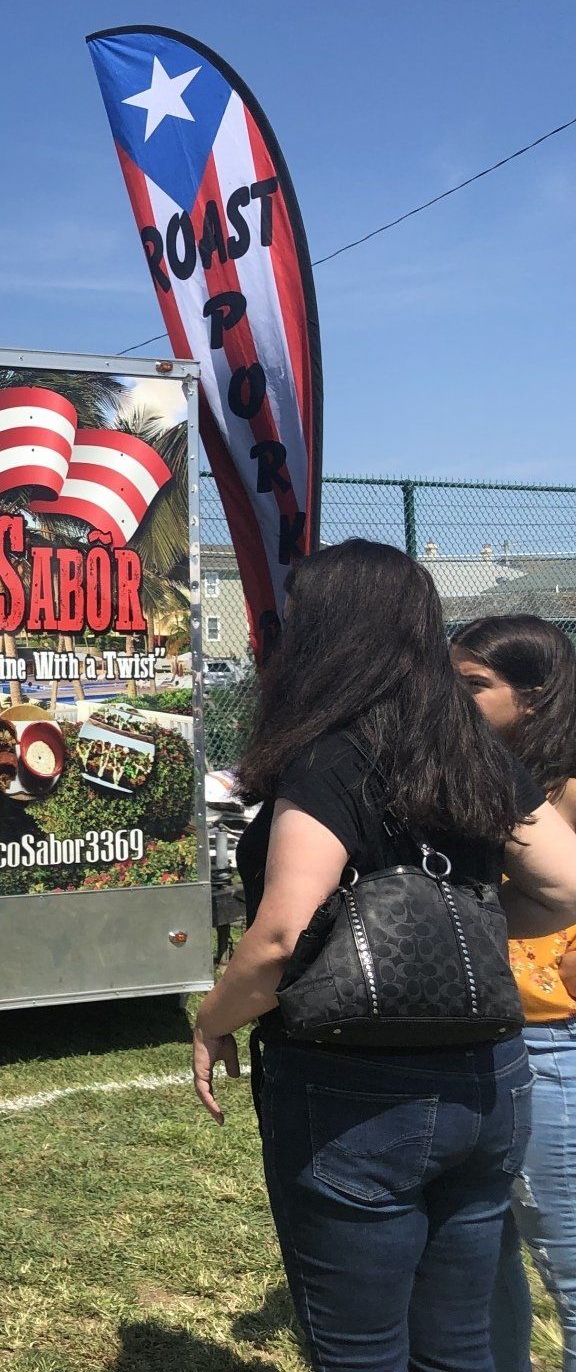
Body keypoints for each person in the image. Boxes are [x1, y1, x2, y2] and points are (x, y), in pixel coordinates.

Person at [191, 541, 576, 1370]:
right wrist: (462, 922)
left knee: (360, 1347)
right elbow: (566, 885)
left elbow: (280, 936)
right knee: (459, 1342)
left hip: (351, 1089)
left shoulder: (330, 758)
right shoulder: (481, 754)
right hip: (489, 1078)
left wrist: (210, 1019)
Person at [452, 616, 576, 1372]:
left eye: (473, 686)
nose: (452, 700)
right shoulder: (476, 777)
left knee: (565, 1261)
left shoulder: (564, 789)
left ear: (533, 697)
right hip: (481, 1038)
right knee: (481, 1260)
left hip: (546, 1044)